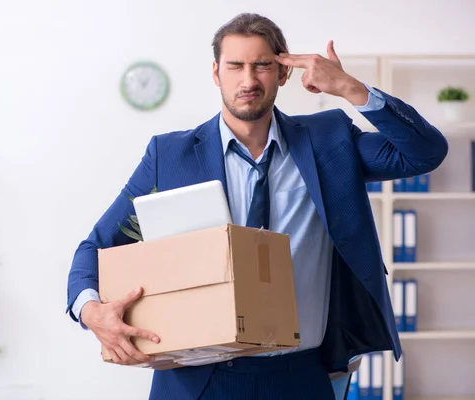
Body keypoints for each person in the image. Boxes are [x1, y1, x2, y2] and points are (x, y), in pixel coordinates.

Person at [66, 13, 448, 400]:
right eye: (235, 66)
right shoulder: (169, 155)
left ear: (282, 73)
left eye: (262, 66)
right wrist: (90, 311)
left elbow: (424, 153)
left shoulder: (329, 141)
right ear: (216, 73)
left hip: (299, 375)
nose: (248, 81)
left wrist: (349, 88)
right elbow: (96, 245)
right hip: (197, 378)